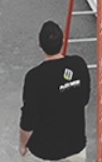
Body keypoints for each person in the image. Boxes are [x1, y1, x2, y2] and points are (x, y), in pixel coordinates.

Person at [19, 20, 91, 162]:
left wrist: (22, 145)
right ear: (63, 41)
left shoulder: (35, 77)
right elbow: (84, 100)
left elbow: (28, 120)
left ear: (40, 45)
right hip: (75, 147)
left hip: (44, 152)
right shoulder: (78, 64)